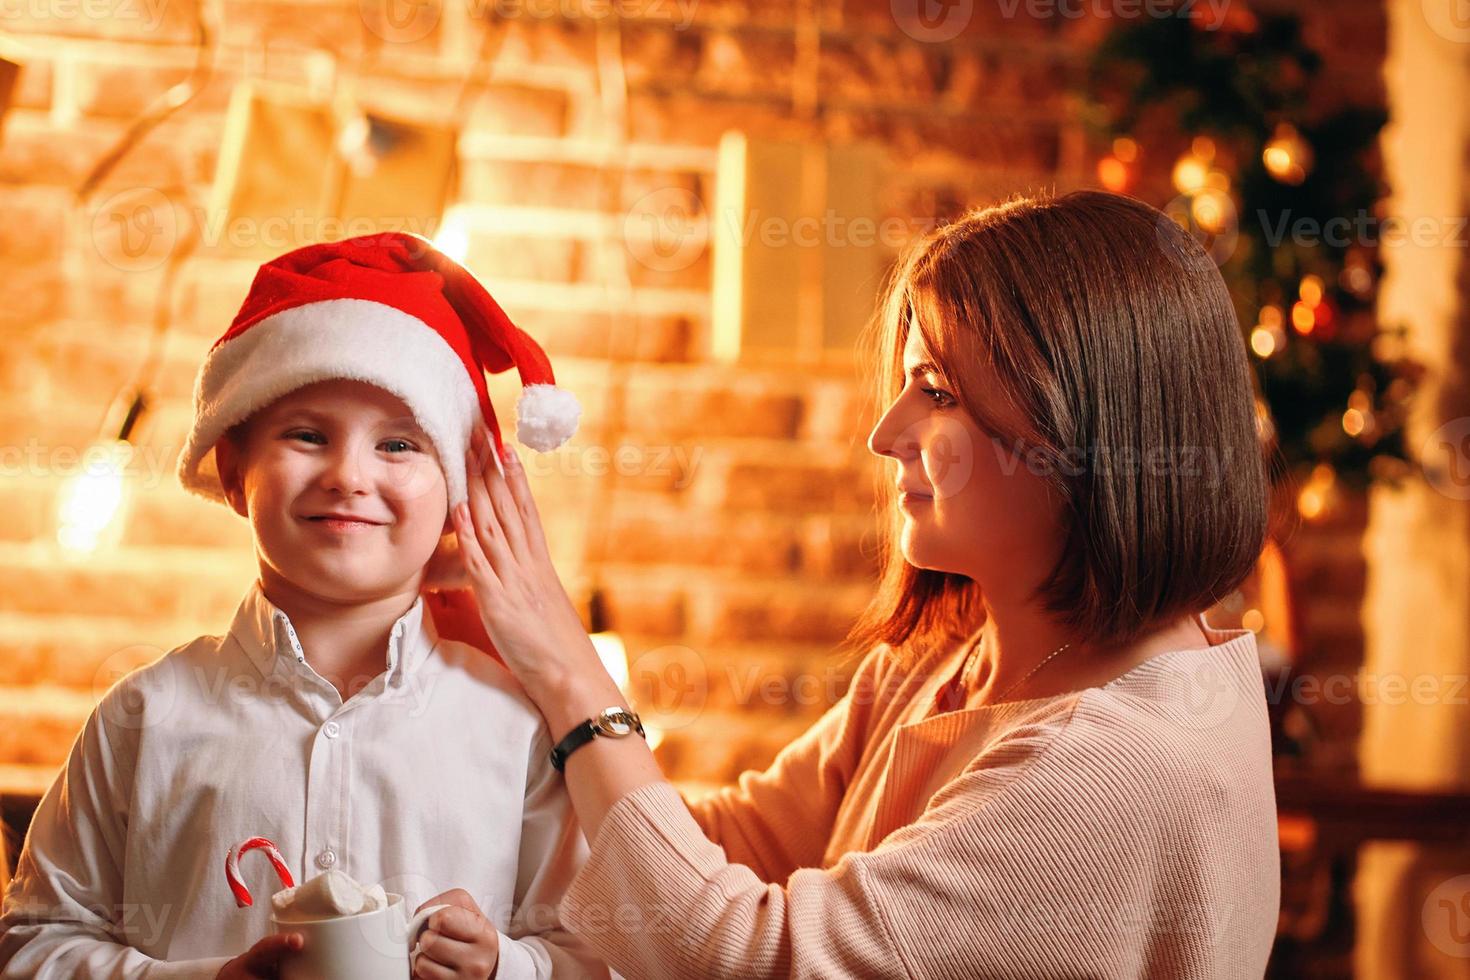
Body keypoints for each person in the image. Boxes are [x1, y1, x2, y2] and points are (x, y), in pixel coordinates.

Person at [438, 190, 1282, 978]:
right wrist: (492, 643)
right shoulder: (951, 660)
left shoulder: (1110, 771)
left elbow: (746, 953)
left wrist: (566, 665)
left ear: (1083, 432)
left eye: (938, 392)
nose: (887, 434)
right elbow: (723, 848)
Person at [0, 233, 609, 979]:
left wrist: (505, 967)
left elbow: (597, 957)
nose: (349, 476)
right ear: (233, 471)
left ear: (455, 490)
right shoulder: (144, 717)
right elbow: (32, 944)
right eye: (308, 435)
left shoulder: (515, 729)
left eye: (398, 446)